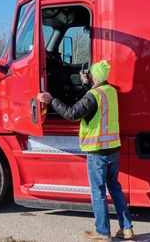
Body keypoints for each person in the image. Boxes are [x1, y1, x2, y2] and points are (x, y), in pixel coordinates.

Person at [37, 60, 134, 241]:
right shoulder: (110, 91)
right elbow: (93, 102)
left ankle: (103, 232)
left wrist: (52, 101)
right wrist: (85, 83)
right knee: (114, 188)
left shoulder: (94, 95)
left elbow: (73, 113)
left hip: (97, 150)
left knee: (98, 191)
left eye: (90, 74)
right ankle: (127, 229)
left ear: (94, 76)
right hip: (113, 148)